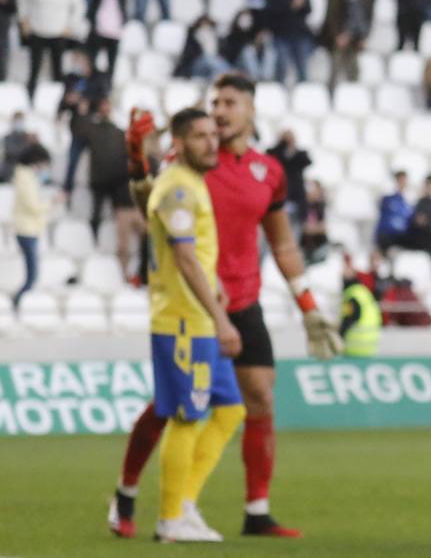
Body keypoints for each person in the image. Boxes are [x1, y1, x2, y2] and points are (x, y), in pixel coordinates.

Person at [110, 75, 343, 540]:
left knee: (252, 400)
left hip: (243, 299)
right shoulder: (188, 162)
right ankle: (131, 494)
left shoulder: (268, 171)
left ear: (252, 109)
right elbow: (148, 198)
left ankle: (255, 510)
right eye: (214, 102)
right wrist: (137, 158)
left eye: (229, 102)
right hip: (195, 302)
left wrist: (308, 303)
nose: (219, 110)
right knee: (171, 407)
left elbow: (282, 243)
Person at [141, 108, 245, 543]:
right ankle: (170, 521)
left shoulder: (192, 184)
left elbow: (192, 251)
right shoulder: (178, 189)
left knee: (230, 410)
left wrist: (217, 284)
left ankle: (184, 502)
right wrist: (222, 319)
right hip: (184, 322)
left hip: (199, 317)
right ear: (179, 144)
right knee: (187, 417)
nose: (210, 142)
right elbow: (183, 257)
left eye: (212, 134)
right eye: (199, 136)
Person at [77, 98, 143, 282]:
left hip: (115, 185)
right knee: (96, 213)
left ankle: (140, 274)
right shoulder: (93, 129)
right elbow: (79, 131)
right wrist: (82, 113)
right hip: (99, 180)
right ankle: (93, 241)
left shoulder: (118, 133)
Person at [10, 143, 50, 309]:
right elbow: (32, 206)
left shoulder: (26, 176)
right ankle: (17, 303)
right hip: (26, 231)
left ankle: (19, 304)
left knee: (33, 275)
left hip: (29, 230)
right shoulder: (25, 178)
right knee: (32, 275)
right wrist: (51, 203)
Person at [339, 266, 382, 358]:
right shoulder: (364, 292)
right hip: (370, 347)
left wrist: (339, 336)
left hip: (355, 346)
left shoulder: (351, 294)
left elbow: (350, 317)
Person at [375, 170, 415, 251]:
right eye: (401, 180)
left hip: (402, 236)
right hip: (387, 235)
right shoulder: (387, 198)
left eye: (404, 181)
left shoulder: (408, 202)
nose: (403, 183)